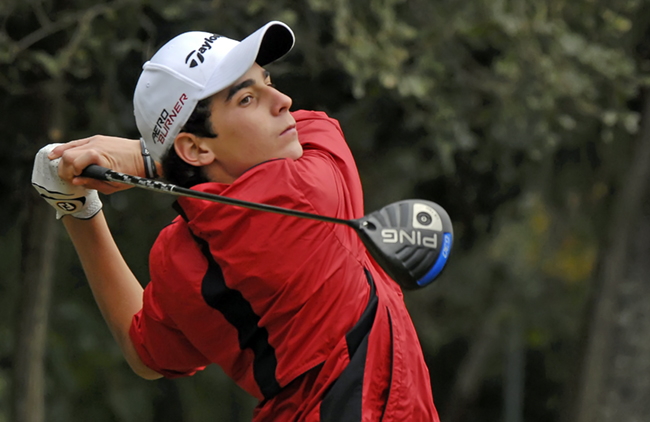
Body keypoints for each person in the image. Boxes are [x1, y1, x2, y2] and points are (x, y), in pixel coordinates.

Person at [31, 21, 440, 421]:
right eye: (247, 98)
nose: (281, 100)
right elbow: (318, 126)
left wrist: (76, 207)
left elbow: (144, 354)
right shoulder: (308, 190)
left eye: (267, 80)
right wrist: (145, 159)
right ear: (194, 147)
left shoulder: (178, 259)